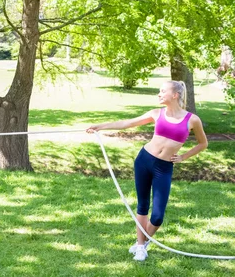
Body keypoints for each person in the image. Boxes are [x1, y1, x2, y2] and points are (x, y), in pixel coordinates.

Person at [86, 80, 208, 261]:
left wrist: (183, 157)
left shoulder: (192, 120)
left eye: (162, 91)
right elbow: (128, 123)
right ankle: (141, 246)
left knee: (157, 216)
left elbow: (203, 143)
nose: (159, 94)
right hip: (144, 160)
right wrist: (100, 126)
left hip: (164, 167)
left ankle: (143, 241)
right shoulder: (156, 113)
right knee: (143, 206)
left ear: (175, 95)